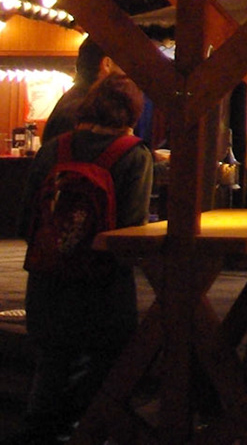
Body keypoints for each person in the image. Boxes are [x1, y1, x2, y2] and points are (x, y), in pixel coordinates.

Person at [15, 72, 153, 442]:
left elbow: (25, 215)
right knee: (105, 369)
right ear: (132, 112)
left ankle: (39, 432)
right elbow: (130, 229)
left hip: (46, 280)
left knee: (51, 366)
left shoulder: (53, 148)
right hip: (102, 288)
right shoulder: (133, 155)